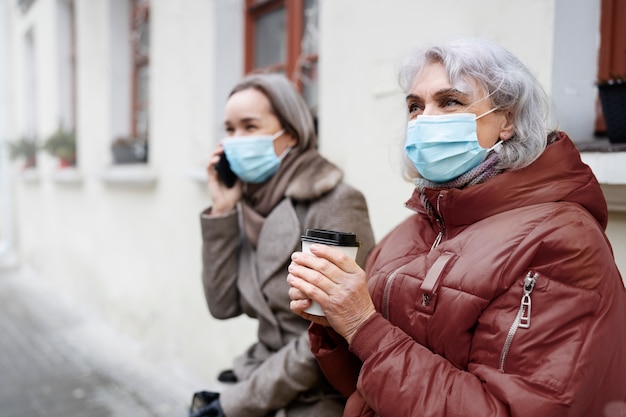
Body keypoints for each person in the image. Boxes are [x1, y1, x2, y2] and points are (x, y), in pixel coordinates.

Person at [286, 38, 626, 417]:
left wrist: (362, 325)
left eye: (450, 101)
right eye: (415, 106)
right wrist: (335, 324)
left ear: (507, 119)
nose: (425, 119)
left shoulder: (562, 242)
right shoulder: (415, 228)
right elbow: (366, 387)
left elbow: (507, 409)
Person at [194, 73, 376, 417]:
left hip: (321, 392)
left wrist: (236, 403)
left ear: (290, 133)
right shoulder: (248, 203)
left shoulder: (333, 201)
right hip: (263, 375)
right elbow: (222, 305)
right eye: (229, 130)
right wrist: (221, 210)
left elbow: (332, 332)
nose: (235, 141)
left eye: (250, 127)